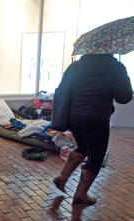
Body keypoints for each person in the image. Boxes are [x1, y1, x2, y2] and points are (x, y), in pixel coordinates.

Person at [53, 54, 133, 204]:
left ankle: (62, 178)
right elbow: (124, 97)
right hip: (97, 118)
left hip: (74, 116)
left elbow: (62, 89)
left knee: (83, 147)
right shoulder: (116, 68)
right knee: (97, 155)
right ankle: (81, 194)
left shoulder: (75, 67)